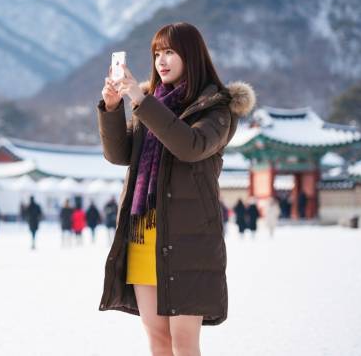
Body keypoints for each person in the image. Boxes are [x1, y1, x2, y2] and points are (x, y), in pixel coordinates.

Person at [98, 22, 255, 355]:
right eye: (157, 53)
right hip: (144, 233)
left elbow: (190, 146)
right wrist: (112, 108)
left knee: (184, 341)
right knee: (158, 339)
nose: (161, 61)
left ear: (191, 56)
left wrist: (140, 100)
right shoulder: (151, 103)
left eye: (170, 52)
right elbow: (120, 154)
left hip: (188, 238)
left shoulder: (216, 107)